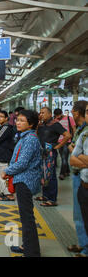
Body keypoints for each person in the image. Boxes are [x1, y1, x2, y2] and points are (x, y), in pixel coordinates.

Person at [1, 110, 42, 257]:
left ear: (31, 124)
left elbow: (23, 163)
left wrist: (7, 170)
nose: (18, 123)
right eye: (17, 120)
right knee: (25, 216)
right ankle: (28, 246)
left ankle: (32, 252)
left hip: (25, 181)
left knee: (27, 217)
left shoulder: (30, 139)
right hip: (23, 180)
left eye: (22, 121)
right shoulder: (25, 137)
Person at [35, 106, 72, 207]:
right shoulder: (42, 125)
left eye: (43, 113)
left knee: (50, 175)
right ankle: (45, 195)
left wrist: (58, 146)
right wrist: (38, 125)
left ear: (50, 114)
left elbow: (68, 135)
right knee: (43, 174)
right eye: (40, 112)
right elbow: (36, 134)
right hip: (42, 152)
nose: (41, 114)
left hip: (50, 153)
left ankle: (52, 199)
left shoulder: (55, 124)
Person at [69, 102, 88, 257]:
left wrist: (77, 154)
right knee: (79, 214)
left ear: (76, 113)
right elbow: (73, 159)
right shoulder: (82, 131)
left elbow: (75, 154)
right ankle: (83, 244)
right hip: (80, 177)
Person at [0, 110, 15, 201]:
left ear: (6, 118)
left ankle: (8, 194)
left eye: (1, 116)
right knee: (0, 175)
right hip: (0, 154)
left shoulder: (6, 127)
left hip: (3, 155)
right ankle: (3, 192)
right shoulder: (1, 127)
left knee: (3, 175)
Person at [53, 108, 76, 180]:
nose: (57, 117)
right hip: (59, 142)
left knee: (64, 157)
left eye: (58, 116)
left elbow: (74, 129)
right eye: (56, 116)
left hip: (67, 141)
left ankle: (62, 173)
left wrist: (74, 140)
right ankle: (67, 170)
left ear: (61, 113)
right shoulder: (55, 120)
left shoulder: (69, 118)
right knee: (64, 157)